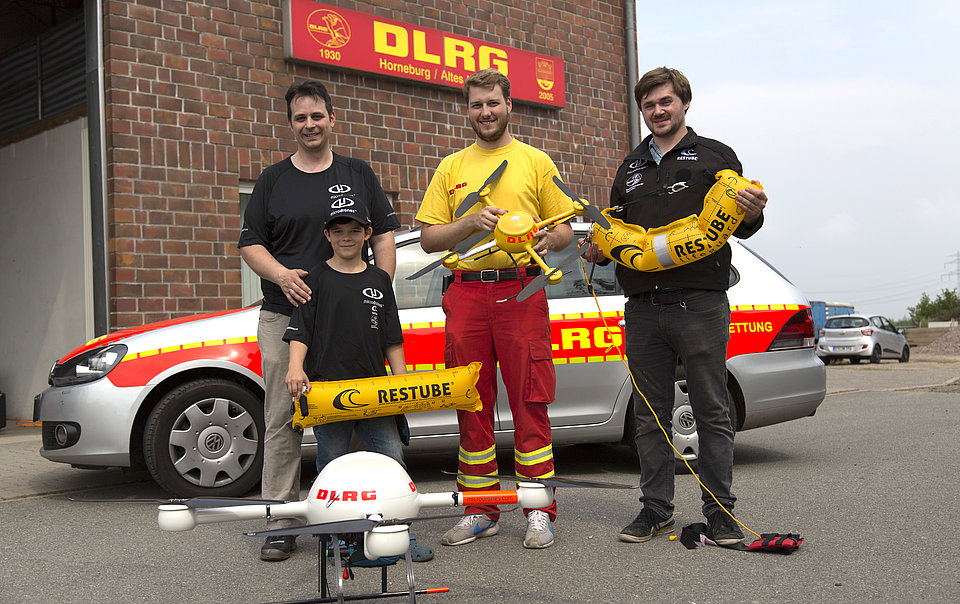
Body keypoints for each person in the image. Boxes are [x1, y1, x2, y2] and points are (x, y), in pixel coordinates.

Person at [590, 66, 768, 546]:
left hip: (700, 302)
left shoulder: (715, 155)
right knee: (650, 413)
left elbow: (744, 224)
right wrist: (597, 246)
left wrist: (753, 212)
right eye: (648, 105)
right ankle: (656, 510)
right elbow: (617, 227)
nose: (657, 111)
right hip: (643, 306)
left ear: (684, 103)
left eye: (665, 101)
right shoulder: (629, 167)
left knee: (711, 409)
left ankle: (720, 512)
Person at [238, 80, 399, 562]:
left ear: (333, 119)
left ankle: (363, 515)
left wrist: (378, 290)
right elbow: (250, 244)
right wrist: (282, 274)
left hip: (352, 323)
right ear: (291, 125)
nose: (310, 125)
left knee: (358, 411)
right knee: (284, 418)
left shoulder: (359, 174)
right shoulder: (272, 181)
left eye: (317, 116)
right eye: (300, 118)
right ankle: (281, 521)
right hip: (284, 315)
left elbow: (386, 235)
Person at [415, 68, 574, 550]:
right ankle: (480, 509)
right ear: (468, 111)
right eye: (477, 105)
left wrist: (550, 237)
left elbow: (567, 227)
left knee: (530, 399)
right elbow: (427, 239)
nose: (485, 112)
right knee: (470, 401)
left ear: (510, 107)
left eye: (493, 103)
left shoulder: (534, 161)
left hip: (522, 291)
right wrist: (467, 223)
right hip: (466, 292)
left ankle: (537, 510)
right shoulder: (451, 168)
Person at [283, 204, 432, 563]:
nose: (345, 238)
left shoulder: (380, 279)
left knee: (391, 458)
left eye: (353, 231)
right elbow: (300, 330)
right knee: (332, 462)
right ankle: (339, 537)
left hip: (376, 392)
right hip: (327, 393)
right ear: (327, 236)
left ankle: (398, 533)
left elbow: (391, 336)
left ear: (367, 234)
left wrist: (401, 380)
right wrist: (295, 368)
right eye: (338, 231)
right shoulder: (315, 280)